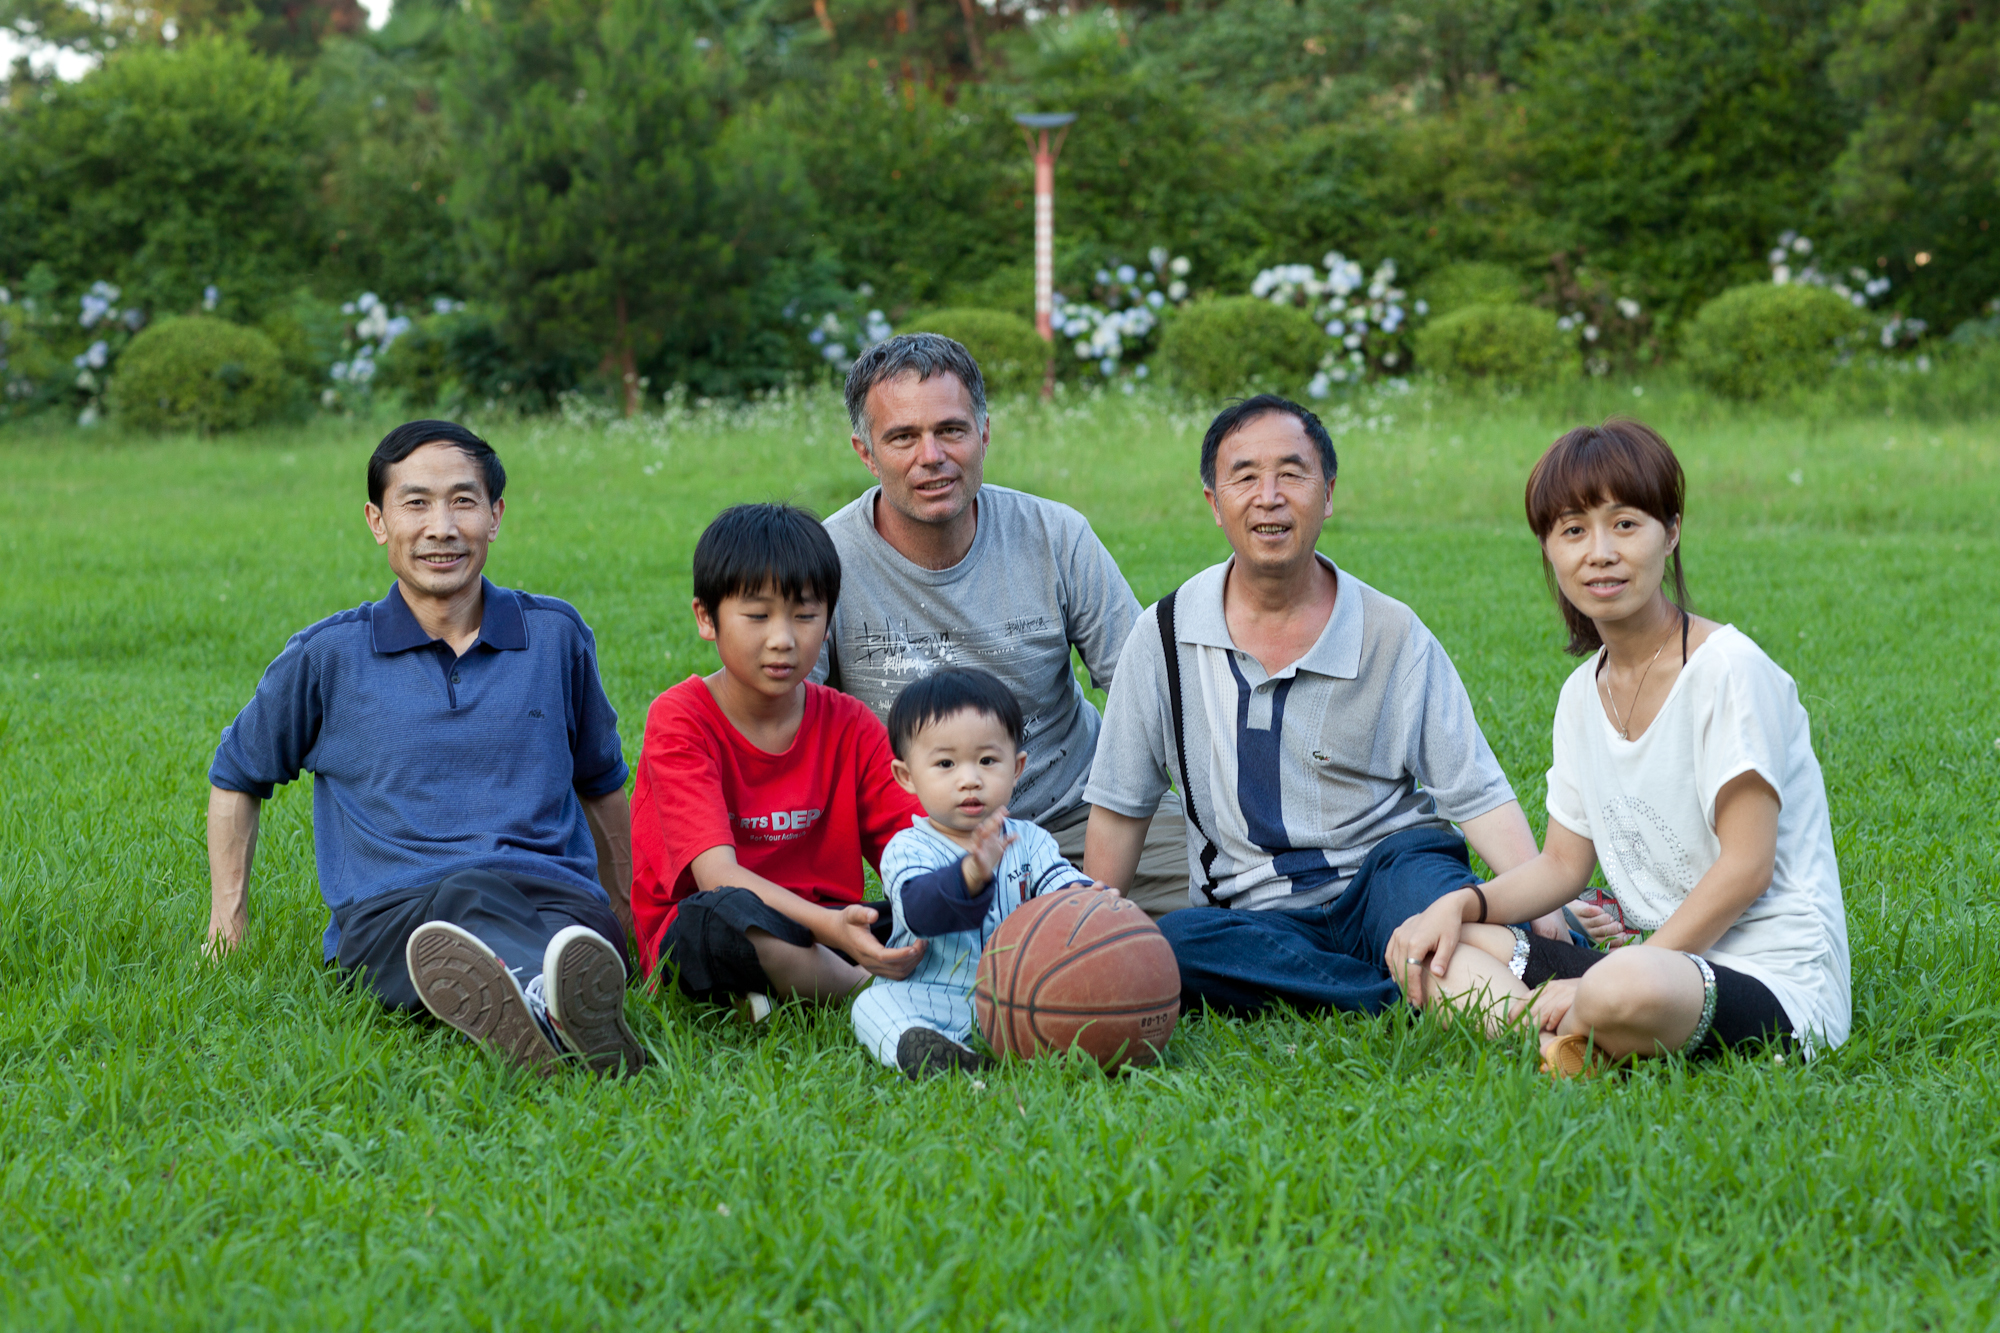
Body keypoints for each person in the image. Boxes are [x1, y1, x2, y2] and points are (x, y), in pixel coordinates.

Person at [1083, 394, 1614, 1017]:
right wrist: (1087, 939)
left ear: (1328, 494)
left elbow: (1475, 792)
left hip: (1388, 877)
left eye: (1292, 474)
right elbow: (1120, 807)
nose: (1269, 497)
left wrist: (1547, 909)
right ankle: (1406, 981)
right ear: (1214, 504)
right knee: (1174, 945)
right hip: (1254, 914)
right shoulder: (1163, 636)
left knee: (1421, 899)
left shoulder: (1391, 632)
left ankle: (1466, 958)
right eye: (1245, 477)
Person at [1385, 420, 1850, 1074]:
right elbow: (1561, 866)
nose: (1599, 552)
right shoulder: (1583, 693)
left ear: (1672, 532)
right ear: (1549, 548)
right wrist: (1458, 903)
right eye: (1574, 530)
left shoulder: (1727, 670)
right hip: (1652, 966)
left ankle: (1571, 1018)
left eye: (1625, 524)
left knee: (1619, 983)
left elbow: (1746, 868)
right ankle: (1562, 1044)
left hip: (1770, 979)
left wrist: (1616, 973)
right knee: (1430, 946)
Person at [205, 420, 644, 1077]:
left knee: (568, 935)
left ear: (495, 517)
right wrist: (226, 929)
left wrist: (628, 918)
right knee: (467, 892)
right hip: (396, 921)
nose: (442, 527)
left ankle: (541, 1000)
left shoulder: (555, 635)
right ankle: (558, 1005)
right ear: (378, 521)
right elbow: (237, 774)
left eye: (463, 501)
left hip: (554, 903)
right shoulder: (328, 655)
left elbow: (601, 783)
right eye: (416, 503)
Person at [812, 332, 1192, 916]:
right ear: (866, 452)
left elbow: (1148, 695)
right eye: (903, 437)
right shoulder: (825, 561)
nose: (931, 456)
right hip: (935, 842)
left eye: (951, 430)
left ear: (984, 433)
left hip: (1082, 815)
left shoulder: (1056, 535)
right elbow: (788, 724)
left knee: (1229, 896)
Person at [628, 503, 926, 1015]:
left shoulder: (850, 723)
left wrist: (968, 873)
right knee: (717, 921)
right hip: (723, 922)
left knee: (926, 915)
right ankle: (867, 992)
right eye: (758, 616)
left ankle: (780, 990)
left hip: (828, 924)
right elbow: (717, 876)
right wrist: (832, 927)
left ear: (829, 621)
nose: (783, 639)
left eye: (805, 615)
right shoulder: (681, 718)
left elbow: (913, 851)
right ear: (706, 618)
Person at [851, 668, 1112, 1078]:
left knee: (1082, 999)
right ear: (906, 777)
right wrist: (970, 875)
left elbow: (1061, 887)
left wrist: (1088, 900)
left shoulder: (1030, 841)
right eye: (945, 763)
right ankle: (937, 1056)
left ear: (1017, 767)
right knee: (870, 1005)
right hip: (931, 996)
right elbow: (920, 911)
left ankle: (1026, 1041)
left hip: (1018, 1000)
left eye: (988, 761)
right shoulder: (907, 848)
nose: (970, 780)